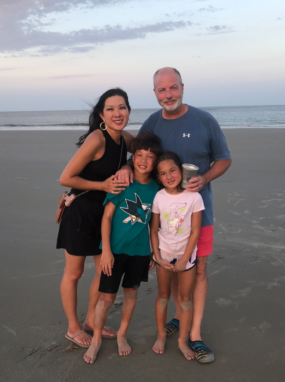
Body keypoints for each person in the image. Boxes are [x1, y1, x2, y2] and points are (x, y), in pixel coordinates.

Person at [117, 67, 232, 363]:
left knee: (199, 271)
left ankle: (194, 334)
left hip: (197, 214)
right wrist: (128, 168)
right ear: (155, 93)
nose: (168, 94)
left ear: (182, 87)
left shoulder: (205, 120)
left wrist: (204, 178)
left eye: (173, 88)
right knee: (167, 274)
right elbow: (139, 158)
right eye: (161, 90)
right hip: (163, 218)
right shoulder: (153, 123)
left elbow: (224, 159)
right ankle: (177, 320)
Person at [57, 88, 135, 348]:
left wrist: (127, 165)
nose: (117, 113)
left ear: (129, 111)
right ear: (102, 114)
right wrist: (103, 186)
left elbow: (146, 153)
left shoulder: (125, 138)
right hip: (81, 213)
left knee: (104, 272)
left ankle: (91, 321)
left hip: (105, 215)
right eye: (110, 109)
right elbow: (65, 178)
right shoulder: (97, 139)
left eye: (122, 107)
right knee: (74, 273)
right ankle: (73, 328)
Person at [83, 132, 163, 364]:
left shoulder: (157, 189)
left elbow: (153, 226)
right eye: (139, 155)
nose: (143, 160)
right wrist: (105, 250)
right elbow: (107, 218)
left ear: (155, 161)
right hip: (114, 251)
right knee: (106, 298)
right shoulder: (121, 183)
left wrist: (152, 253)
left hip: (139, 253)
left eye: (150, 157)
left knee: (131, 294)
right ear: (132, 156)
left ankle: (122, 334)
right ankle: (96, 338)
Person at [150, 151, 204, 361]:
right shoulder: (159, 196)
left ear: (181, 170)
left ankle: (183, 340)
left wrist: (184, 259)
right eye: (162, 173)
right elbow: (154, 230)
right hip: (163, 254)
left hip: (186, 255)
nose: (169, 176)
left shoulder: (194, 196)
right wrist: (157, 256)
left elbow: (196, 231)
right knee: (163, 296)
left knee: (184, 299)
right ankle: (161, 335)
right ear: (158, 178)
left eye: (172, 170)